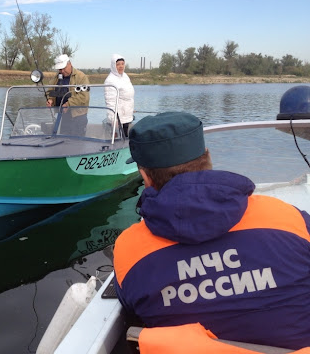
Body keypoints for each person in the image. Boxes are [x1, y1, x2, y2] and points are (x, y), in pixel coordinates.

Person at [113, 111, 310, 350]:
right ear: (208, 156)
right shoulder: (289, 218)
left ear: (144, 175)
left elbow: (132, 308)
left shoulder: (129, 250)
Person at [46, 54, 90, 136]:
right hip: (63, 116)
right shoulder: (56, 77)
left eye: (63, 68)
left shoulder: (81, 77)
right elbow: (50, 90)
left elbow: (84, 97)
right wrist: (50, 100)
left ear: (69, 64)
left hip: (78, 116)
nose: (62, 71)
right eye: (60, 69)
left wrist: (68, 104)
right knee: (64, 141)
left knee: (77, 143)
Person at [104, 54, 135, 137]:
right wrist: (113, 118)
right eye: (118, 64)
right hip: (118, 116)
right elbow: (110, 101)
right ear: (114, 66)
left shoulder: (125, 76)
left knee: (126, 135)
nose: (121, 66)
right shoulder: (110, 80)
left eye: (122, 64)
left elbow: (128, 95)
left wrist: (131, 110)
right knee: (119, 137)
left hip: (127, 113)